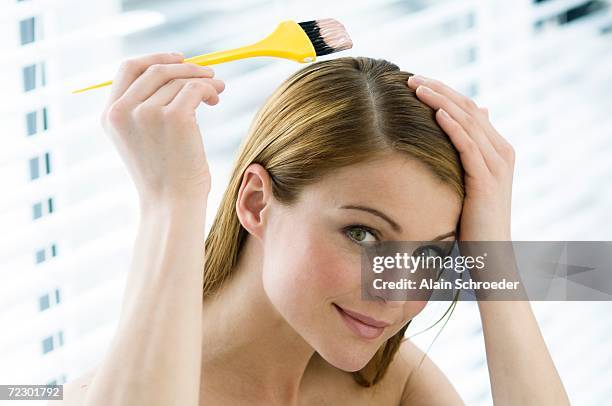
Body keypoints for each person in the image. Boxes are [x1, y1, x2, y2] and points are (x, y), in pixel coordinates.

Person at [52, 52, 569, 405]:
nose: (397, 296)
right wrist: (171, 202)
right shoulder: (116, 392)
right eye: (363, 234)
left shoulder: (387, 382)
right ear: (256, 203)